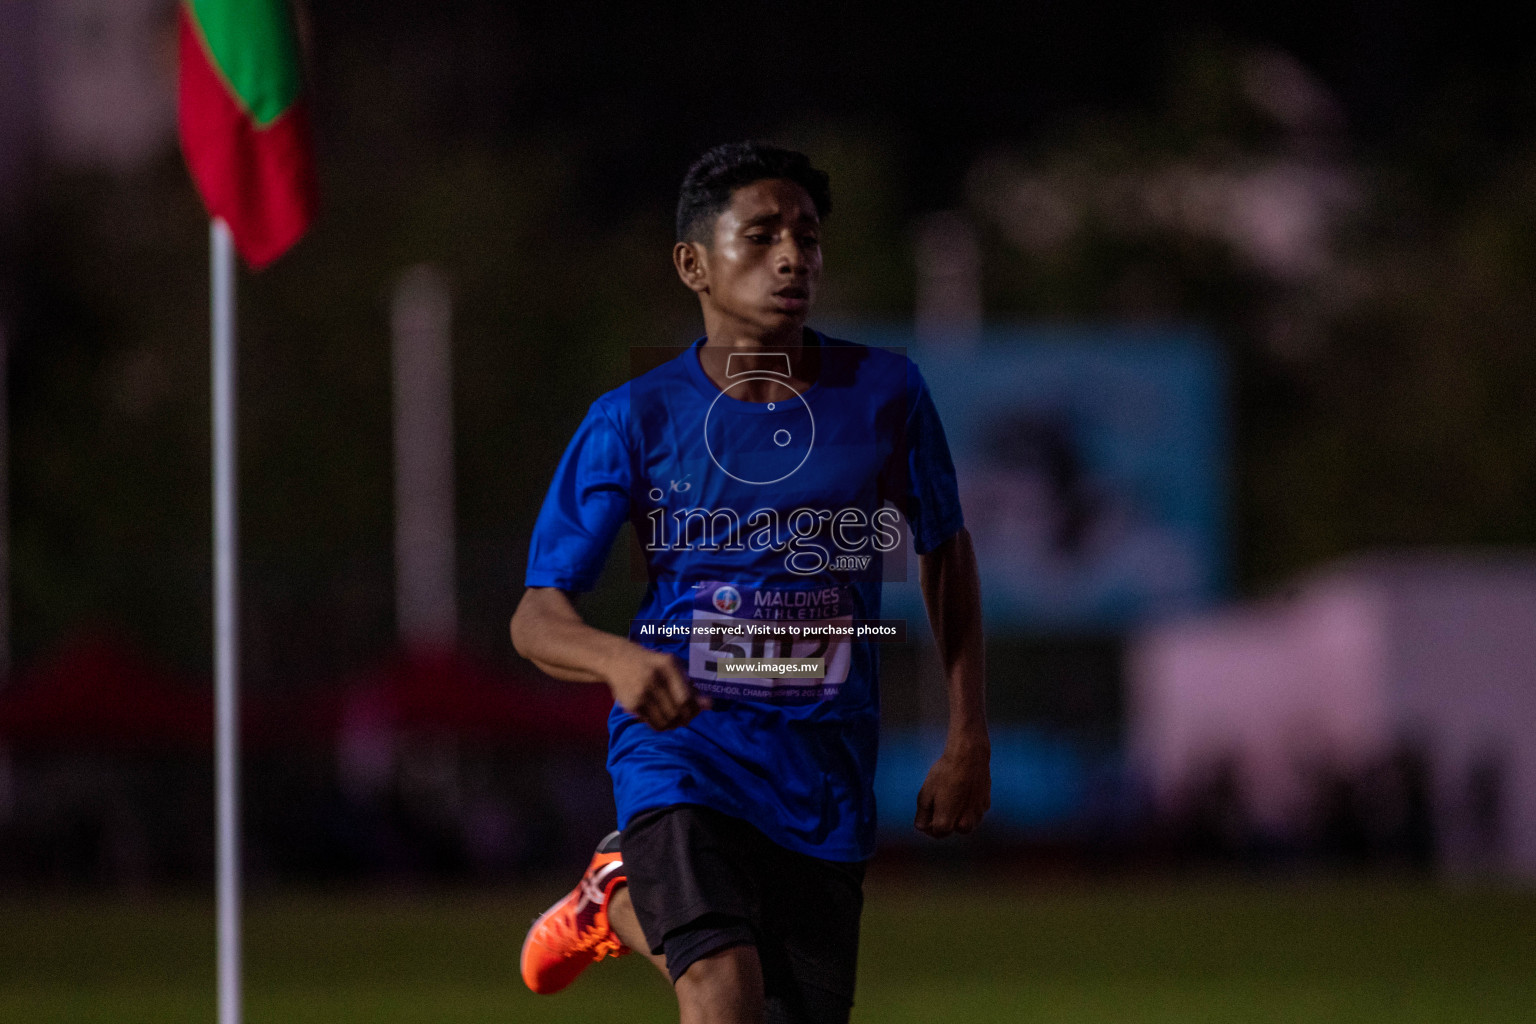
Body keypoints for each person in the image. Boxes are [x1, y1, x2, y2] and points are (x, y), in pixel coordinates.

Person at [510, 141, 989, 1024]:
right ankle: (629, 879)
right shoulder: (635, 417)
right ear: (693, 263)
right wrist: (616, 662)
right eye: (762, 235)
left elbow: (944, 553)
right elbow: (536, 617)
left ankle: (610, 893)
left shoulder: (887, 393)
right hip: (685, 756)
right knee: (723, 996)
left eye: (807, 237)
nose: (791, 257)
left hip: (824, 769)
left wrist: (968, 735)